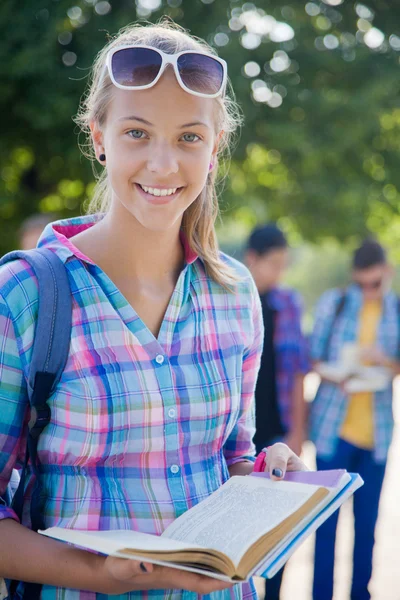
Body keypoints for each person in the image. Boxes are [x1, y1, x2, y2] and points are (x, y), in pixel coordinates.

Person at [0, 21, 307, 600]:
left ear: (214, 148)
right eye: (137, 132)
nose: (163, 165)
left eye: (189, 137)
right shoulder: (26, 296)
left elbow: (231, 462)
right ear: (99, 136)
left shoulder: (236, 294)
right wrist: (101, 573)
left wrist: (268, 480)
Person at [310, 239, 400, 600]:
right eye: (360, 284)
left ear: (387, 274)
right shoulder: (335, 303)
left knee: (366, 529)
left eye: (374, 284)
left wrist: (384, 361)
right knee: (324, 527)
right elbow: (315, 358)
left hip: (376, 436)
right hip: (333, 432)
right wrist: (340, 376)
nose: (367, 292)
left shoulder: (396, 309)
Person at [245, 224, 309, 599]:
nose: (279, 272)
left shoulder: (287, 303)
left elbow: (298, 369)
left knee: (279, 527)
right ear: (251, 259)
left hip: (277, 433)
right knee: (243, 527)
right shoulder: (230, 297)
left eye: (284, 264)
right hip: (240, 436)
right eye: (273, 263)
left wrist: (297, 432)